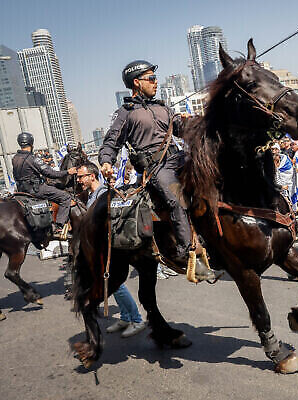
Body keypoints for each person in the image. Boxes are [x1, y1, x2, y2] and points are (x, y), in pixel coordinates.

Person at [98, 60, 216, 282]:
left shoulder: (163, 108)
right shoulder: (126, 113)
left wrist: (203, 123)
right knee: (178, 200)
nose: (155, 82)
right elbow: (111, 143)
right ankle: (187, 254)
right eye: (151, 78)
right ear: (136, 82)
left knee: (213, 179)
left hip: (179, 158)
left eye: (155, 78)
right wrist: (105, 162)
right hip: (156, 167)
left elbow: (183, 130)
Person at [77, 162, 146, 338]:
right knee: (113, 287)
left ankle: (137, 320)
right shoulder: (92, 195)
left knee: (117, 285)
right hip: (98, 248)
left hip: (108, 248)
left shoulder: (103, 194)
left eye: (81, 177)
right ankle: (125, 317)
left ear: (92, 176)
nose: (78, 180)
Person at [11, 132, 77, 237]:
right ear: (31, 143)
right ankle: (59, 226)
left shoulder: (15, 158)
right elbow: (50, 173)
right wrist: (68, 172)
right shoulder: (33, 159)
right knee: (65, 197)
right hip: (36, 190)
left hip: (21, 191)